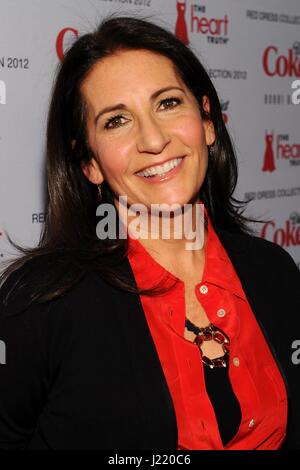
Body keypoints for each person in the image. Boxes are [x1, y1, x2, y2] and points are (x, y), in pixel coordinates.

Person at [0, 14, 299, 451]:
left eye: (168, 103)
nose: (154, 140)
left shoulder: (274, 271)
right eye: (116, 121)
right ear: (90, 163)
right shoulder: (41, 302)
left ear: (208, 121)